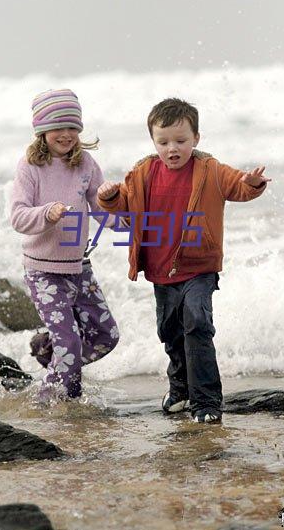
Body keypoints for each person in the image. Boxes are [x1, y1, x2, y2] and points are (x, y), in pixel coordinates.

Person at [97, 98, 270, 423]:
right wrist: (108, 196)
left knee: (197, 325)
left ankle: (206, 403)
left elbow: (239, 187)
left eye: (180, 141)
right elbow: (124, 205)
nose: (172, 149)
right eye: (163, 142)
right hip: (161, 271)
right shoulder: (143, 172)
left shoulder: (210, 170)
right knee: (171, 332)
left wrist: (253, 183)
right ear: (154, 141)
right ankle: (179, 390)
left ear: (196, 139)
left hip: (199, 267)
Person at [11, 88, 119, 400]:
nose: (67, 134)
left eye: (73, 127)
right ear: (41, 130)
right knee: (70, 345)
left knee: (106, 335)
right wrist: (47, 213)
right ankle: (58, 405)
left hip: (79, 268)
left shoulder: (85, 164)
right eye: (59, 127)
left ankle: (49, 353)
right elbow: (18, 217)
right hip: (43, 272)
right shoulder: (29, 167)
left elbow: (101, 209)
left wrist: (130, 223)